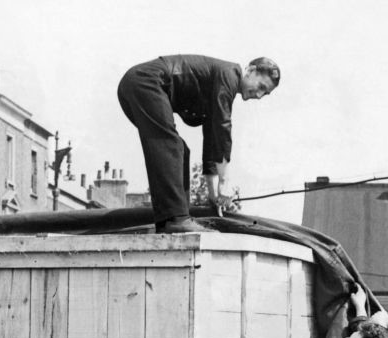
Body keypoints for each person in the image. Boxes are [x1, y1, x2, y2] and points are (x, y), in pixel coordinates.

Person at [117, 55, 279, 233]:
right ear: (251, 70)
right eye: (261, 87)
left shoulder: (221, 85)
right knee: (171, 147)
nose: (259, 95)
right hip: (145, 82)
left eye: (265, 93)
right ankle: (176, 219)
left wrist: (213, 195)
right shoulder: (229, 75)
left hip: (136, 85)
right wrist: (224, 183)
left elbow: (212, 139)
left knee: (179, 150)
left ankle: (173, 219)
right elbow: (222, 127)